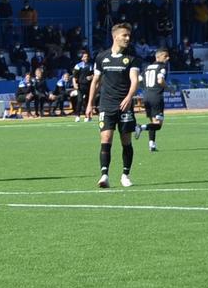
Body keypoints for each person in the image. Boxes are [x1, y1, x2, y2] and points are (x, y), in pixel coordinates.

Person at [86, 23, 144, 188]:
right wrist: (89, 104)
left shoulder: (132, 58)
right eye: (124, 35)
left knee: (126, 141)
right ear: (115, 36)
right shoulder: (101, 57)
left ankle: (125, 174)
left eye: (129, 36)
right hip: (106, 104)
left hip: (124, 105)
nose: (128, 38)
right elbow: (95, 82)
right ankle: (104, 175)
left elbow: (134, 81)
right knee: (106, 139)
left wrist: (129, 97)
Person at [141, 47, 169, 152]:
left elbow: (139, 79)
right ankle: (140, 127)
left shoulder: (147, 67)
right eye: (165, 56)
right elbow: (160, 80)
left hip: (146, 96)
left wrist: (146, 89)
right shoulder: (162, 67)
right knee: (158, 125)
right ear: (158, 57)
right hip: (156, 97)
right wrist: (169, 88)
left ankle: (152, 144)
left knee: (153, 122)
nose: (168, 58)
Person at [72, 49, 94, 122]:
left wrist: (91, 77)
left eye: (87, 56)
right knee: (80, 100)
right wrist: (75, 84)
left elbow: (94, 75)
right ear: (82, 58)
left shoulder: (91, 65)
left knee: (87, 101)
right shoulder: (78, 66)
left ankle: (87, 116)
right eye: (84, 57)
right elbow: (74, 76)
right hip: (80, 85)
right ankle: (77, 115)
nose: (86, 58)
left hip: (88, 85)